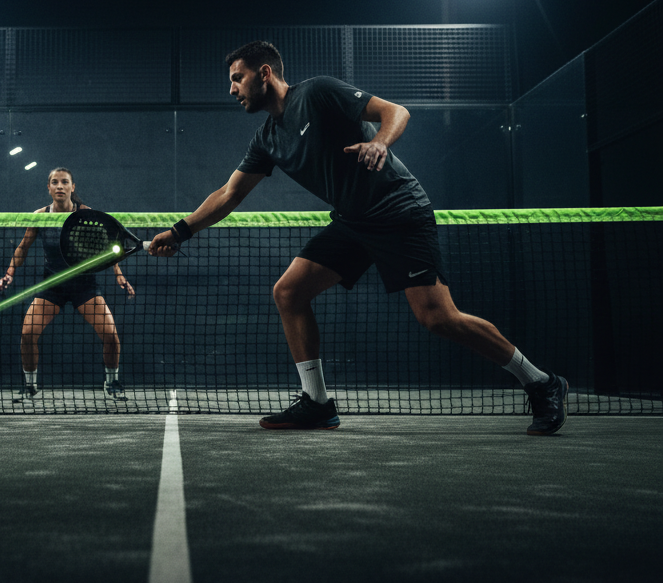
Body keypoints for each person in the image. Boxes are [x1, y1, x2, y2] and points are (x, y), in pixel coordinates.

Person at [148, 40, 568, 435]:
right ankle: (317, 402)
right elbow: (228, 194)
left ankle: (541, 382)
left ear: (264, 73)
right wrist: (179, 232)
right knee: (289, 292)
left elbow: (396, 111)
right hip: (352, 221)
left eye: (236, 78)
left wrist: (380, 143)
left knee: (437, 318)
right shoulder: (268, 139)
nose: (231, 89)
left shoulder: (317, 93)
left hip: (397, 209)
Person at [0, 167, 134, 402]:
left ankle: (112, 383)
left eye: (64, 182)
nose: (59, 186)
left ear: (72, 187)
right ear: (49, 188)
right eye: (54, 182)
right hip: (52, 285)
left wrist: (118, 274)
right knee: (28, 334)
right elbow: (23, 247)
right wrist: (9, 272)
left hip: (84, 285)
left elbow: (107, 246)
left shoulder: (87, 214)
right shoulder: (40, 216)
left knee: (111, 335)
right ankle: (30, 387)